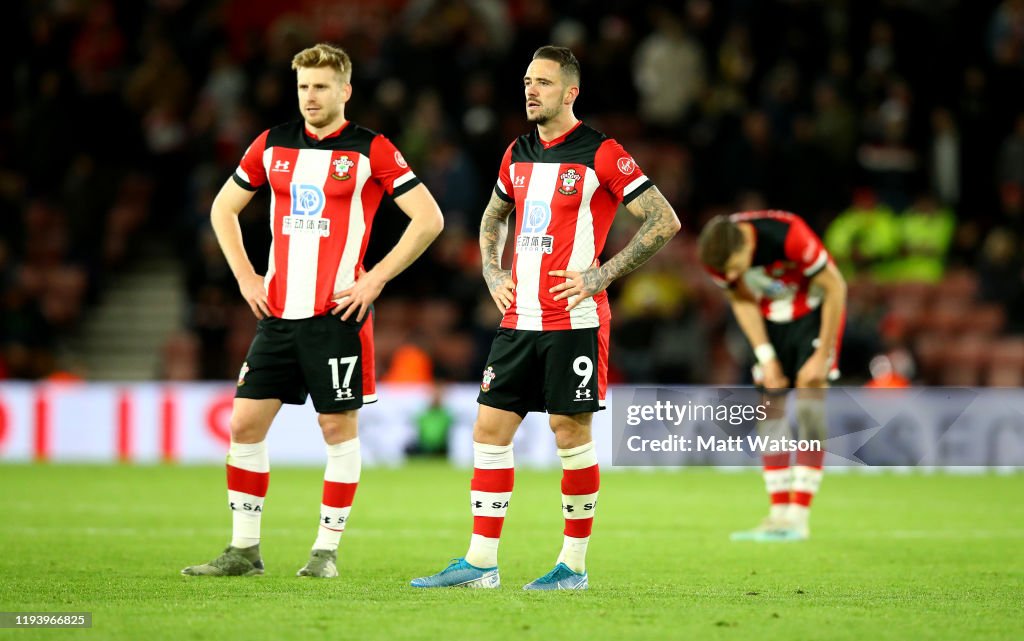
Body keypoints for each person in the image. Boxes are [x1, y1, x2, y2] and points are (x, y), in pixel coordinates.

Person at [411, 46, 680, 590]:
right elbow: (494, 214)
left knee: (568, 432)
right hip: (519, 318)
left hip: (574, 320)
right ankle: (481, 562)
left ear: (570, 92)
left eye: (544, 83)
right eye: (528, 81)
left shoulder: (601, 152)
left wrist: (601, 276)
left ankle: (572, 567)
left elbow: (663, 220)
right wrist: (492, 272)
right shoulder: (518, 150)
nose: (531, 90)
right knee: (489, 428)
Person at [181, 43, 444, 578]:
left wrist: (374, 278)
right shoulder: (272, 145)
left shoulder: (371, 149)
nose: (310, 96)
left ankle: (325, 552)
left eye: (321, 86)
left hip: (336, 316)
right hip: (278, 315)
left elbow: (429, 218)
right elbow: (222, 208)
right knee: (244, 425)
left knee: (336, 429)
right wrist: (246, 276)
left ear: (345, 91)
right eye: (303, 86)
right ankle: (244, 550)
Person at [698, 210, 846, 541]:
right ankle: (778, 513)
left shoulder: (789, 234)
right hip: (769, 317)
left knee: (809, 400)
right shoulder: (717, 257)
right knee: (770, 405)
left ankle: (799, 515)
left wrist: (822, 355)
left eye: (737, 266)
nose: (732, 274)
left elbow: (836, 286)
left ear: (747, 244)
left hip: (813, 312)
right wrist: (766, 357)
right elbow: (740, 299)